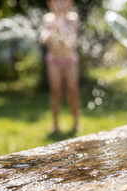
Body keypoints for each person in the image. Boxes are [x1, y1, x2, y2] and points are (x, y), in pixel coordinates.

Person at [40, 0, 80, 133]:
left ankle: (75, 123)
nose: (60, 4)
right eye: (57, 1)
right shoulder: (48, 19)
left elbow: (73, 37)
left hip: (69, 60)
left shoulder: (73, 17)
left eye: (63, 1)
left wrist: (61, 22)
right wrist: (53, 29)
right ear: (50, 3)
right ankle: (55, 124)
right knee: (56, 91)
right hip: (54, 60)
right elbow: (44, 39)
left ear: (69, 3)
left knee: (72, 90)